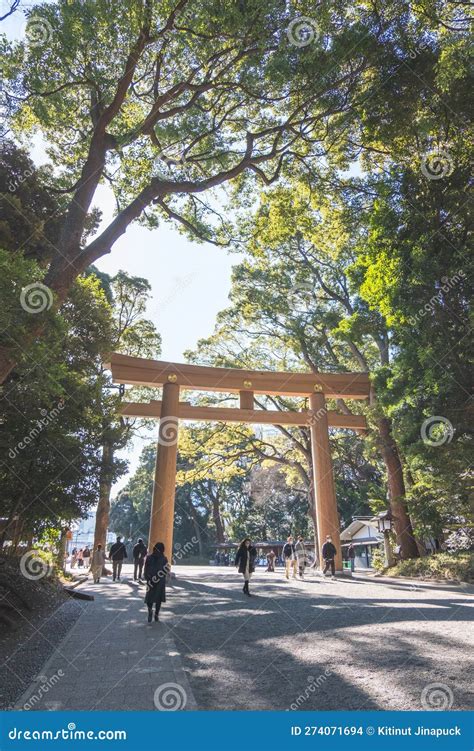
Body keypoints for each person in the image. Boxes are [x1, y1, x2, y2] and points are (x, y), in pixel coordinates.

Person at [144, 542, 168, 622]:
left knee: (149, 597)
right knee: (158, 599)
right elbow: (166, 570)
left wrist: (147, 577)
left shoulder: (149, 557)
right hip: (160, 580)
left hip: (151, 579)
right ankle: (156, 614)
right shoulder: (164, 559)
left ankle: (150, 611)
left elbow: (146, 568)